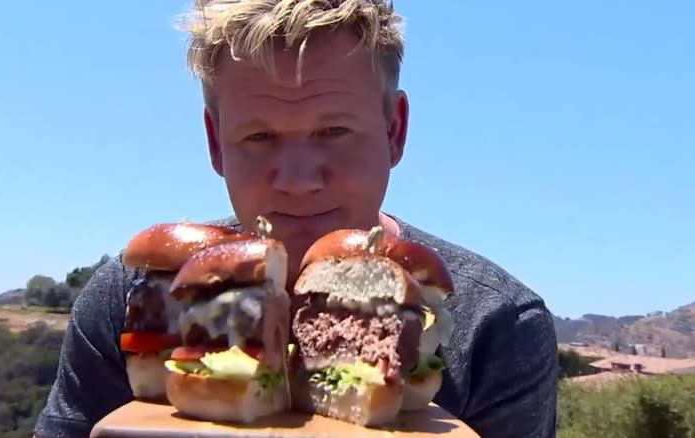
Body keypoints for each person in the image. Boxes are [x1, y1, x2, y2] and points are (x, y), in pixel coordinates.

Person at [33, 1, 559, 437]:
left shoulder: (498, 327)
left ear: (395, 131)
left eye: (335, 131)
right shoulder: (129, 296)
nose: (298, 179)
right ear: (216, 144)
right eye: (260, 137)